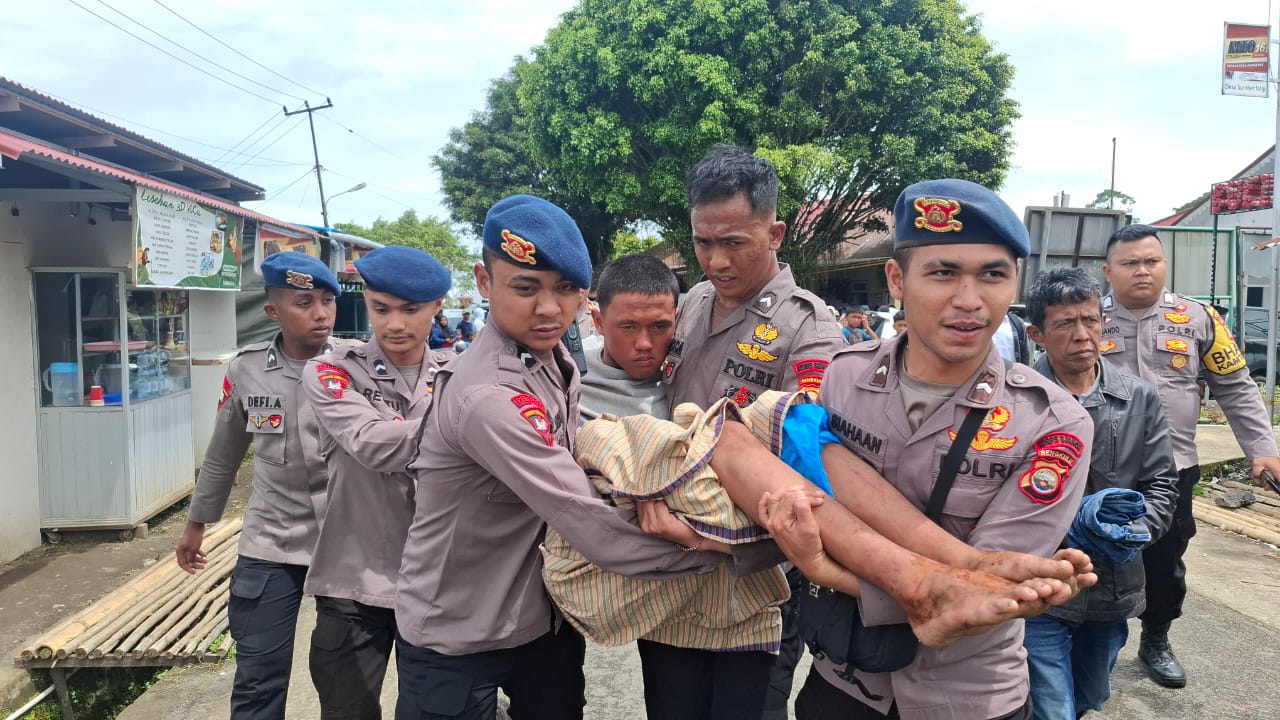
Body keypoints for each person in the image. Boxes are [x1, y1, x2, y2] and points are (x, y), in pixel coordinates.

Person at [393, 195, 736, 720]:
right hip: (457, 636)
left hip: (540, 625)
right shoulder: (486, 397)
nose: (550, 308)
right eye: (525, 288)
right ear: (484, 283)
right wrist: (731, 547)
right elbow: (591, 526)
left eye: (567, 289)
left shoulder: (554, 364)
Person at [791, 178, 1095, 720]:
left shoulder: (1052, 421)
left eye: (992, 275)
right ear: (896, 280)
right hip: (842, 680)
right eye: (943, 272)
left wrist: (828, 570)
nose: (969, 301)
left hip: (966, 696)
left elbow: (985, 584)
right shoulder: (842, 379)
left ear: (1015, 282)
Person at [661, 144, 846, 718]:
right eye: (702, 242)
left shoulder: (809, 329)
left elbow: (808, 461)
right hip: (671, 561)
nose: (716, 260)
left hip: (755, 574)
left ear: (775, 233)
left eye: (733, 243)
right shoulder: (690, 302)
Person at [1098, 223, 1280, 688]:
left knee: (1165, 561)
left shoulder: (1198, 318)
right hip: (1098, 469)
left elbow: (1236, 387)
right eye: (1130, 263)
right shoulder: (1086, 319)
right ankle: (1096, 643)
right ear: (1108, 271)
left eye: (1151, 261)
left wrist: (1262, 450)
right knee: (1095, 557)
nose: (1142, 271)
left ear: (1164, 265)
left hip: (1171, 467)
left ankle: (1155, 638)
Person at [175, 252, 350, 720]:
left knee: (346, 682)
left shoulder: (356, 366)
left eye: (328, 301)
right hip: (271, 540)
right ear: (273, 311)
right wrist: (196, 525)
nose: (321, 313)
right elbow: (223, 453)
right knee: (258, 676)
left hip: (346, 541)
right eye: (305, 302)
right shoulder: (245, 370)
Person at [301, 246, 452, 720]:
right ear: (365, 302)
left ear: (437, 308)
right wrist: (461, 425)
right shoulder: (331, 370)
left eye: (411, 310)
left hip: (438, 584)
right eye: (381, 309)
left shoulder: (457, 373)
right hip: (354, 584)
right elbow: (371, 445)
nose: (395, 325)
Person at [1020, 267, 1178, 719]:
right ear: (1037, 333)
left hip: (1114, 582)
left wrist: (1130, 530)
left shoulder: (1139, 398)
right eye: (1065, 324)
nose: (1082, 335)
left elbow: (1162, 483)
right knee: (1052, 706)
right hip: (1042, 585)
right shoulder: (1015, 400)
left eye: (1090, 320)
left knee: (1091, 694)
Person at [579, 254, 677, 421]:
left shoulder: (681, 384)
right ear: (598, 322)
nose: (644, 344)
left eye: (659, 326)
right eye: (629, 327)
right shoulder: (565, 374)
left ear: (677, 320)